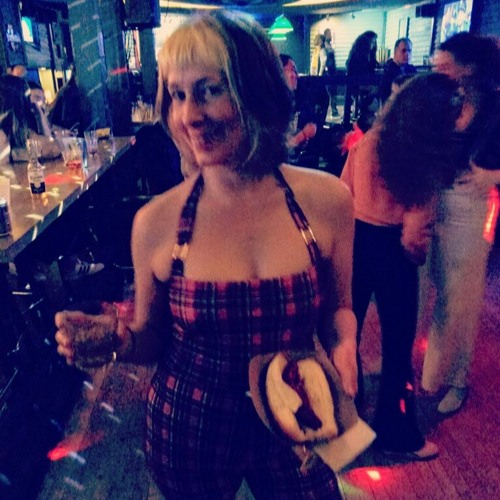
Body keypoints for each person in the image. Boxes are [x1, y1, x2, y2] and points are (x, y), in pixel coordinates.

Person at [54, 10, 358, 499]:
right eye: (177, 95)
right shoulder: (156, 223)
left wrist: (344, 345)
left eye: (210, 90)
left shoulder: (328, 201)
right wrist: (118, 340)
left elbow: (339, 309)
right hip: (190, 425)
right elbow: (152, 340)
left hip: (298, 414)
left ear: (257, 91)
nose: (189, 115)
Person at [340, 73, 464, 460]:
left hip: (356, 240)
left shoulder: (369, 141)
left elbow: (342, 191)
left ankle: (344, 421)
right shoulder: (422, 158)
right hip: (394, 251)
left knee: (344, 334)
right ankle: (395, 433)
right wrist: (418, 257)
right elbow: (414, 237)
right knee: (397, 347)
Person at [420, 33, 500, 415]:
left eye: (444, 65)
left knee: (461, 300)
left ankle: (456, 380)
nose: (437, 70)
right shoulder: (446, 98)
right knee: (429, 289)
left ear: (468, 68)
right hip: (436, 199)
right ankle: (431, 375)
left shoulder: (495, 105)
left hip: (473, 207)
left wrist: (493, 176)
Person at [279, 54, 317, 158]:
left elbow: (312, 122)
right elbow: (276, 149)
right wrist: (302, 136)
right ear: (279, 72)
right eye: (293, 70)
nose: (297, 76)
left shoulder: (298, 98)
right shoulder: (270, 105)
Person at [379, 38, 417, 103]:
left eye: (409, 51)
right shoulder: (388, 72)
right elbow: (385, 98)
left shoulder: (412, 70)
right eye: (403, 51)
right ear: (395, 51)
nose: (407, 54)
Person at [324, 28, 339, 117]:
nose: (330, 36)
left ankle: (334, 110)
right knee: (332, 92)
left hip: (332, 72)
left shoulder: (328, 46)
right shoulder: (326, 46)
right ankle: (334, 110)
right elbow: (327, 61)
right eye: (329, 34)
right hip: (330, 73)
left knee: (333, 92)